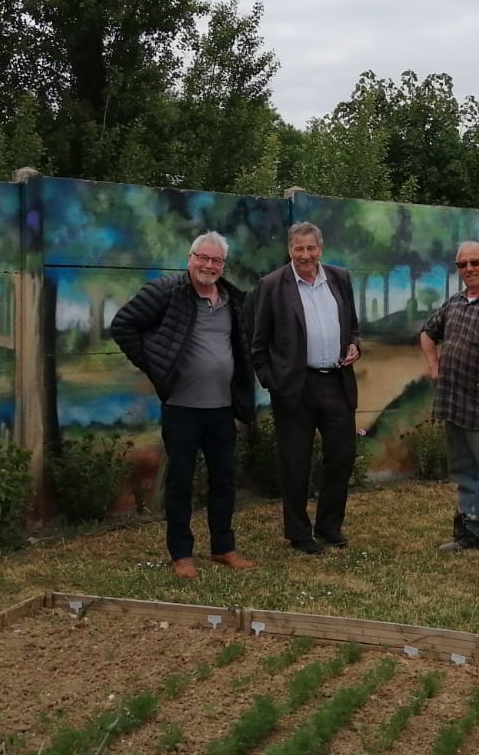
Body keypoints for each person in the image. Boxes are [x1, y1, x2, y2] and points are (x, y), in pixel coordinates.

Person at [109, 231, 257, 579]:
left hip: (222, 409)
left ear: (223, 265)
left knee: (224, 480)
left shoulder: (232, 300)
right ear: (190, 259)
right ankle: (181, 553)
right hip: (181, 408)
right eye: (202, 258)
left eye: (216, 260)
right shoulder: (167, 291)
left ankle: (223, 547)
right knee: (180, 482)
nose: (209, 265)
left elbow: (240, 346)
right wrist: (155, 365)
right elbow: (123, 325)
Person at [250, 221, 362, 554]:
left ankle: (329, 526)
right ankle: (299, 533)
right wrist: (273, 383)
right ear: (289, 250)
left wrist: (355, 345)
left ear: (320, 248)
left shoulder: (340, 278)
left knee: (341, 457)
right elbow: (258, 343)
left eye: (311, 248)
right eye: (298, 249)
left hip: (338, 381)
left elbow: (352, 326)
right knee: (295, 463)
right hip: (295, 388)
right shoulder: (272, 285)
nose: (305, 255)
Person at [419, 240, 479, 567]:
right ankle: (471, 532)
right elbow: (427, 333)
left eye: (475, 262)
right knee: (463, 472)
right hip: (453, 402)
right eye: (463, 265)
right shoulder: (454, 303)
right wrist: (434, 365)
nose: (469, 269)